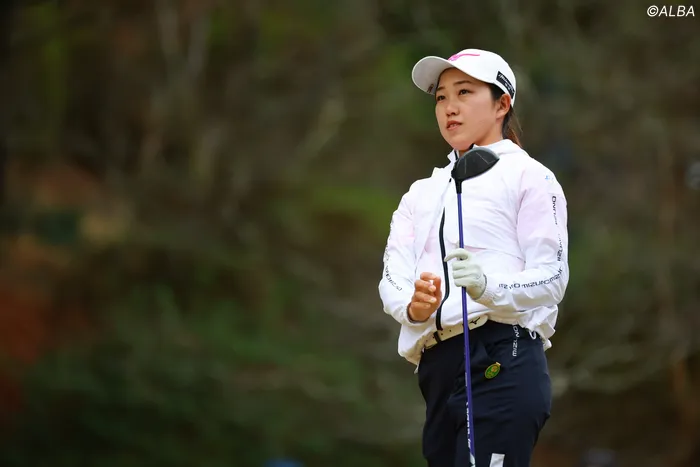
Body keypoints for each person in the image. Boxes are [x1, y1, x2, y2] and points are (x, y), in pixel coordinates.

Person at [378, 48, 570, 467]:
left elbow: (552, 276)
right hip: (436, 365)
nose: (450, 107)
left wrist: (488, 286)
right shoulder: (420, 193)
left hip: (502, 352)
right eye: (441, 97)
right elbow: (393, 272)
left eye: (464, 92)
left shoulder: (531, 176)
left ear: (502, 104)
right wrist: (411, 306)